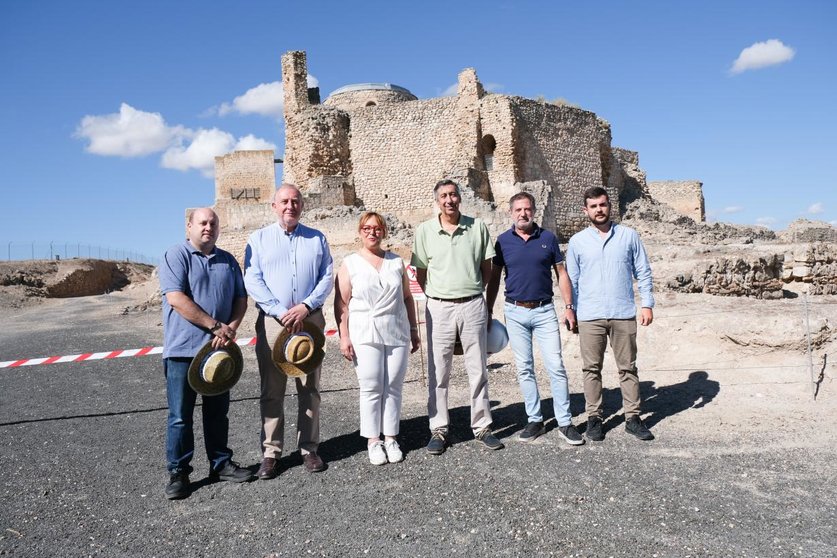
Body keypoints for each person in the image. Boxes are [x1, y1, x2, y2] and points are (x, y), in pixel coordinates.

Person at [159, 208, 254, 500]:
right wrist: (215, 326)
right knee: (180, 416)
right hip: (183, 351)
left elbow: (241, 298)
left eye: (213, 223)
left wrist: (231, 329)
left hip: (218, 353)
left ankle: (220, 463)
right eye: (202, 223)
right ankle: (179, 472)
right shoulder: (176, 256)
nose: (208, 227)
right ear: (189, 226)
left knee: (217, 413)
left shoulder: (227, 261)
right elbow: (176, 298)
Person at [244, 184, 334, 477]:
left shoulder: (317, 239)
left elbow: (326, 276)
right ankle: (271, 452)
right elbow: (253, 280)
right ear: (274, 206)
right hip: (274, 321)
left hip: (310, 320)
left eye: (295, 201)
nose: (290, 206)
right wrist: (280, 310)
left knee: (309, 388)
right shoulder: (258, 240)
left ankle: (309, 449)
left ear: (302, 206)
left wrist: (306, 306)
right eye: (284, 201)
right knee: (272, 389)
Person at [410, 179, 503, 455]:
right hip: (439, 307)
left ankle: (482, 426)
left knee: (478, 368)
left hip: (472, 304)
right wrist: (439, 294)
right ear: (437, 201)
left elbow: (487, 267)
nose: (449, 200)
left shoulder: (477, 227)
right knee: (438, 370)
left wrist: (472, 291)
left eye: (453, 195)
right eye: (444, 196)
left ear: (459, 198)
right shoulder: (425, 231)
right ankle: (438, 429)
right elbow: (421, 271)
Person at [486, 192, 584, 445]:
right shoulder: (503, 241)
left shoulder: (548, 239)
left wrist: (569, 307)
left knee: (556, 366)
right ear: (511, 213)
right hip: (515, 311)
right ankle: (535, 420)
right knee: (525, 368)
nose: (523, 214)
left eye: (527, 209)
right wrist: (487, 310)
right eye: (518, 210)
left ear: (534, 211)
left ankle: (565, 422)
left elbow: (562, 274)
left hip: (544, 311)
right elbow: (495, 277)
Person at [566, 186, 655, 442]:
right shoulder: (577, 241)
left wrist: (647, 303)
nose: (599, 210)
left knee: (628, 368)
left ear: (609, 206)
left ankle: (633, 418)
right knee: (591, 369)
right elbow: (571, 280)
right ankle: (594, 418)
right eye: (593, 206)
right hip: (589, 314)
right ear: (586, 210)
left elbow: (643, 271)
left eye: (602, 205)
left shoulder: (629, 236)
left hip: (622, 312)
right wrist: (570, 309)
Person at [334, 212, 421, 465]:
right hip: (364, 331)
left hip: (396, 329)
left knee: (393, 386)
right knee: (371, 387)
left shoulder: (396, 262)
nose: (372, 232)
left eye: (377, 228)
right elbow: (342, 303)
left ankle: (391, 436)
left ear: (384, 232)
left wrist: (414, 330)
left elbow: (407, 297)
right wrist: (344, 336)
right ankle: (373, 440)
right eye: (367, 228)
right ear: (360, 231)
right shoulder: (350, 263)